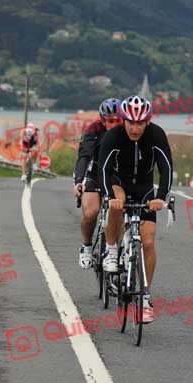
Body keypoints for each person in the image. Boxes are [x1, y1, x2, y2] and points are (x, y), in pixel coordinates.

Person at [98, 95, 173, 323]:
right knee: (117, 206)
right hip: (118, 182)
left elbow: (166, 168)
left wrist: (161, 198)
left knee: (148, 242)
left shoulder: (156, 135)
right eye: (130, 123)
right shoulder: (113, 136)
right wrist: (110, 196)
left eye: (140, 123)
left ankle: (145, 299)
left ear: (147, 122)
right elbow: (103, 169)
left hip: (145, 188)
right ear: (123, 120)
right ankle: (112, 250)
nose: (134, 128)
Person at [73, 98, 122, 269]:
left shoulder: (128, 131)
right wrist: (78, 181)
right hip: (95, 174)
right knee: (91, 212)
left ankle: (116, 250)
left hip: (116, 176)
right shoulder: (93, 129)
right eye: (110, 121)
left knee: (120, 210)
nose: (114, 124)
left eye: (118, 120)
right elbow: (84, 156)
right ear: (102, 119)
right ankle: (86, 246)